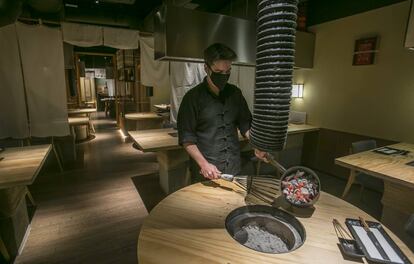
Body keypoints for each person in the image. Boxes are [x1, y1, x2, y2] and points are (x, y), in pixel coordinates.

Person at [177, 43, 266, 182]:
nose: (224, 76)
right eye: (218, 72)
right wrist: (204, 164)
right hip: (207, 171)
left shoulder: (235, 93)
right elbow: (187, 138)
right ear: (206, 68)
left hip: (234, 167)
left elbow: (245, 125)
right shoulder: (192, 98)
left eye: (227, 72)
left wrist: (256, 144)